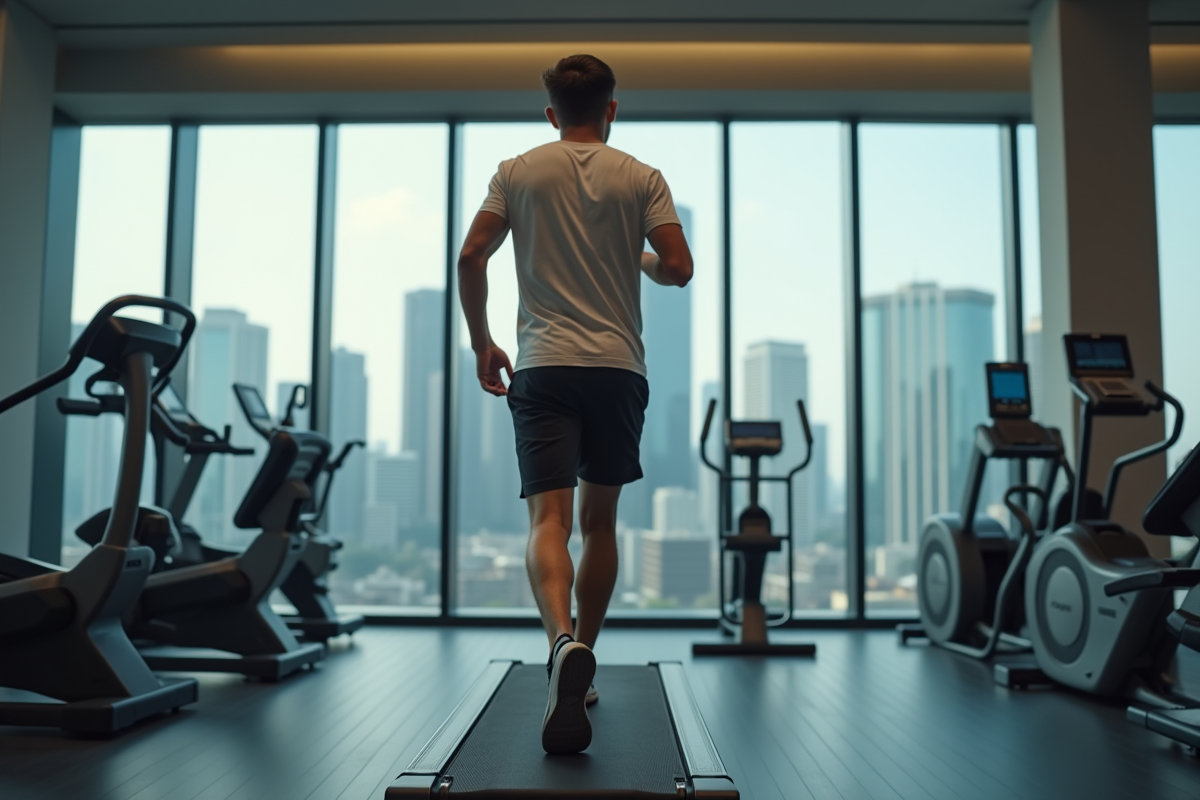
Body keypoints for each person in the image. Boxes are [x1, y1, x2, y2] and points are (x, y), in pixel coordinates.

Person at [456, 54, 694, 755]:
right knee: (601, 523)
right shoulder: (642, 177)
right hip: (618, 370)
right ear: (613, 108)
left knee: (548, 521)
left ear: (551, 113)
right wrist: (640, 260)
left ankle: (559, 643)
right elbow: (678, 269)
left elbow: (472, 256)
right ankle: (585, 655)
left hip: (544, 366)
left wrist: (482, 343)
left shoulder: (517, 170)